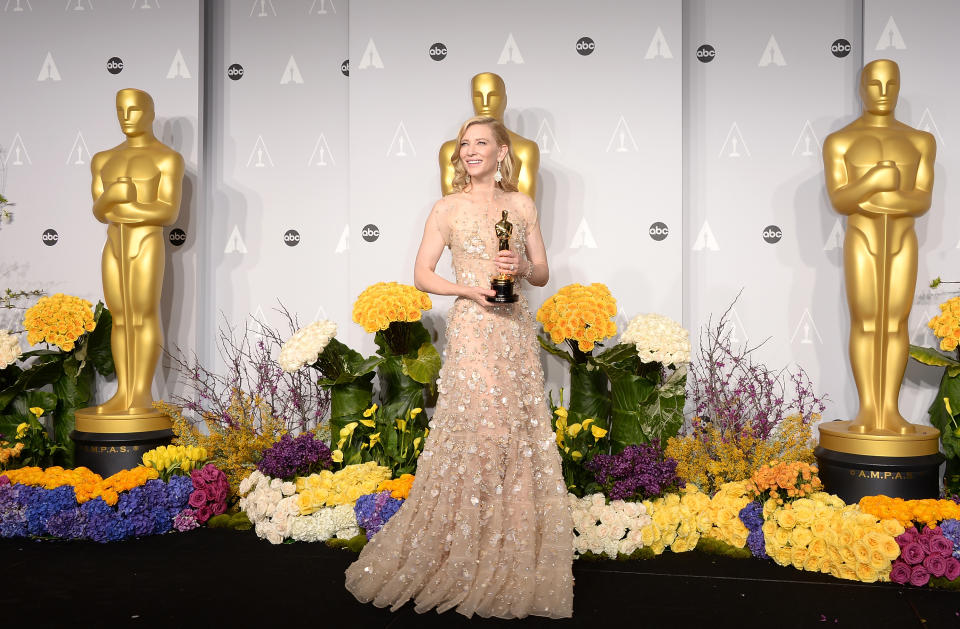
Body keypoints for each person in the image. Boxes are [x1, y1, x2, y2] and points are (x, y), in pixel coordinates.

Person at [345, 116, 573, 619]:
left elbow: (542, 270)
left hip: (513, 329)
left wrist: (523, 270)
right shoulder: (446, 208)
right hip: (473, 328)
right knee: (479, 429)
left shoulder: (521, 206)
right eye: (465, 145)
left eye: (480, 144)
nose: (471, 151)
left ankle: (510, 549)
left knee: (515, 429)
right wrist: (467, 289)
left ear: (501, 153)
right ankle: (464, 547)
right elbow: (422, 273)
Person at [822, 59, 935, 435]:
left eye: (891, 84)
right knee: (867, 320)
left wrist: (875, 201)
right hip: (863, 238)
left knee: (896, 321)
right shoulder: (841, 141)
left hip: (901, 238)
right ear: (861, 87)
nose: (883, 92)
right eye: (875, 84)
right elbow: (840, 200)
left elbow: (921, 201)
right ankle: (867, 410)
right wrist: (875, 179)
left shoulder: (920, 140)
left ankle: (891, 409)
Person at [89, 88, 183, 415]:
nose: (126, 118)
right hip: (114, 242)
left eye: (133, 111)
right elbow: (100, 211)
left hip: (145, 241)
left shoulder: (166, 158)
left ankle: (141, 394)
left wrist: (123, 209)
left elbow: (168, 212)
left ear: (150, 112)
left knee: (142, 313)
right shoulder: (103, 159)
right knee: (119, 317)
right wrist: (114, 194)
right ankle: (123, 393)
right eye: (120, 111)